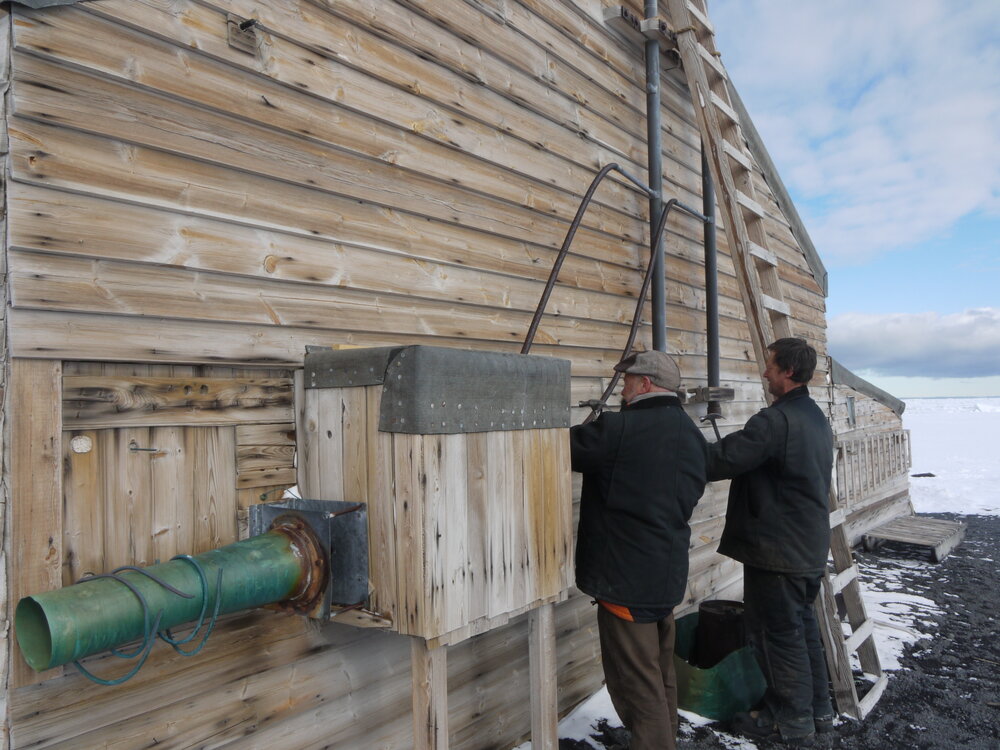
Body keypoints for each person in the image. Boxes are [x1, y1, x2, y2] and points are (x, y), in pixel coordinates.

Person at [570, 350, 707, 750]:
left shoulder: (620, 429)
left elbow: (562, 448)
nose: (623, 388)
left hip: (625, 581)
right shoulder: (691, 434)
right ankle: (667, 739)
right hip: (664, 576)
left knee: (636, 688)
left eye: (628, 381)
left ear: (645, 384)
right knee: (659, 674)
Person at [707, 337, 835, 747]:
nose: (765, 373)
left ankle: (789, 721)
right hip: (806, 547)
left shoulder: (775, 422)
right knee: (801, 629)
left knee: (776, 636)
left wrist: (675, 439)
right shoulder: (814, 416)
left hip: (778, 553)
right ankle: (817, 711)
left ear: (789, 373)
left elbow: (722, 460)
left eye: (771, 366)